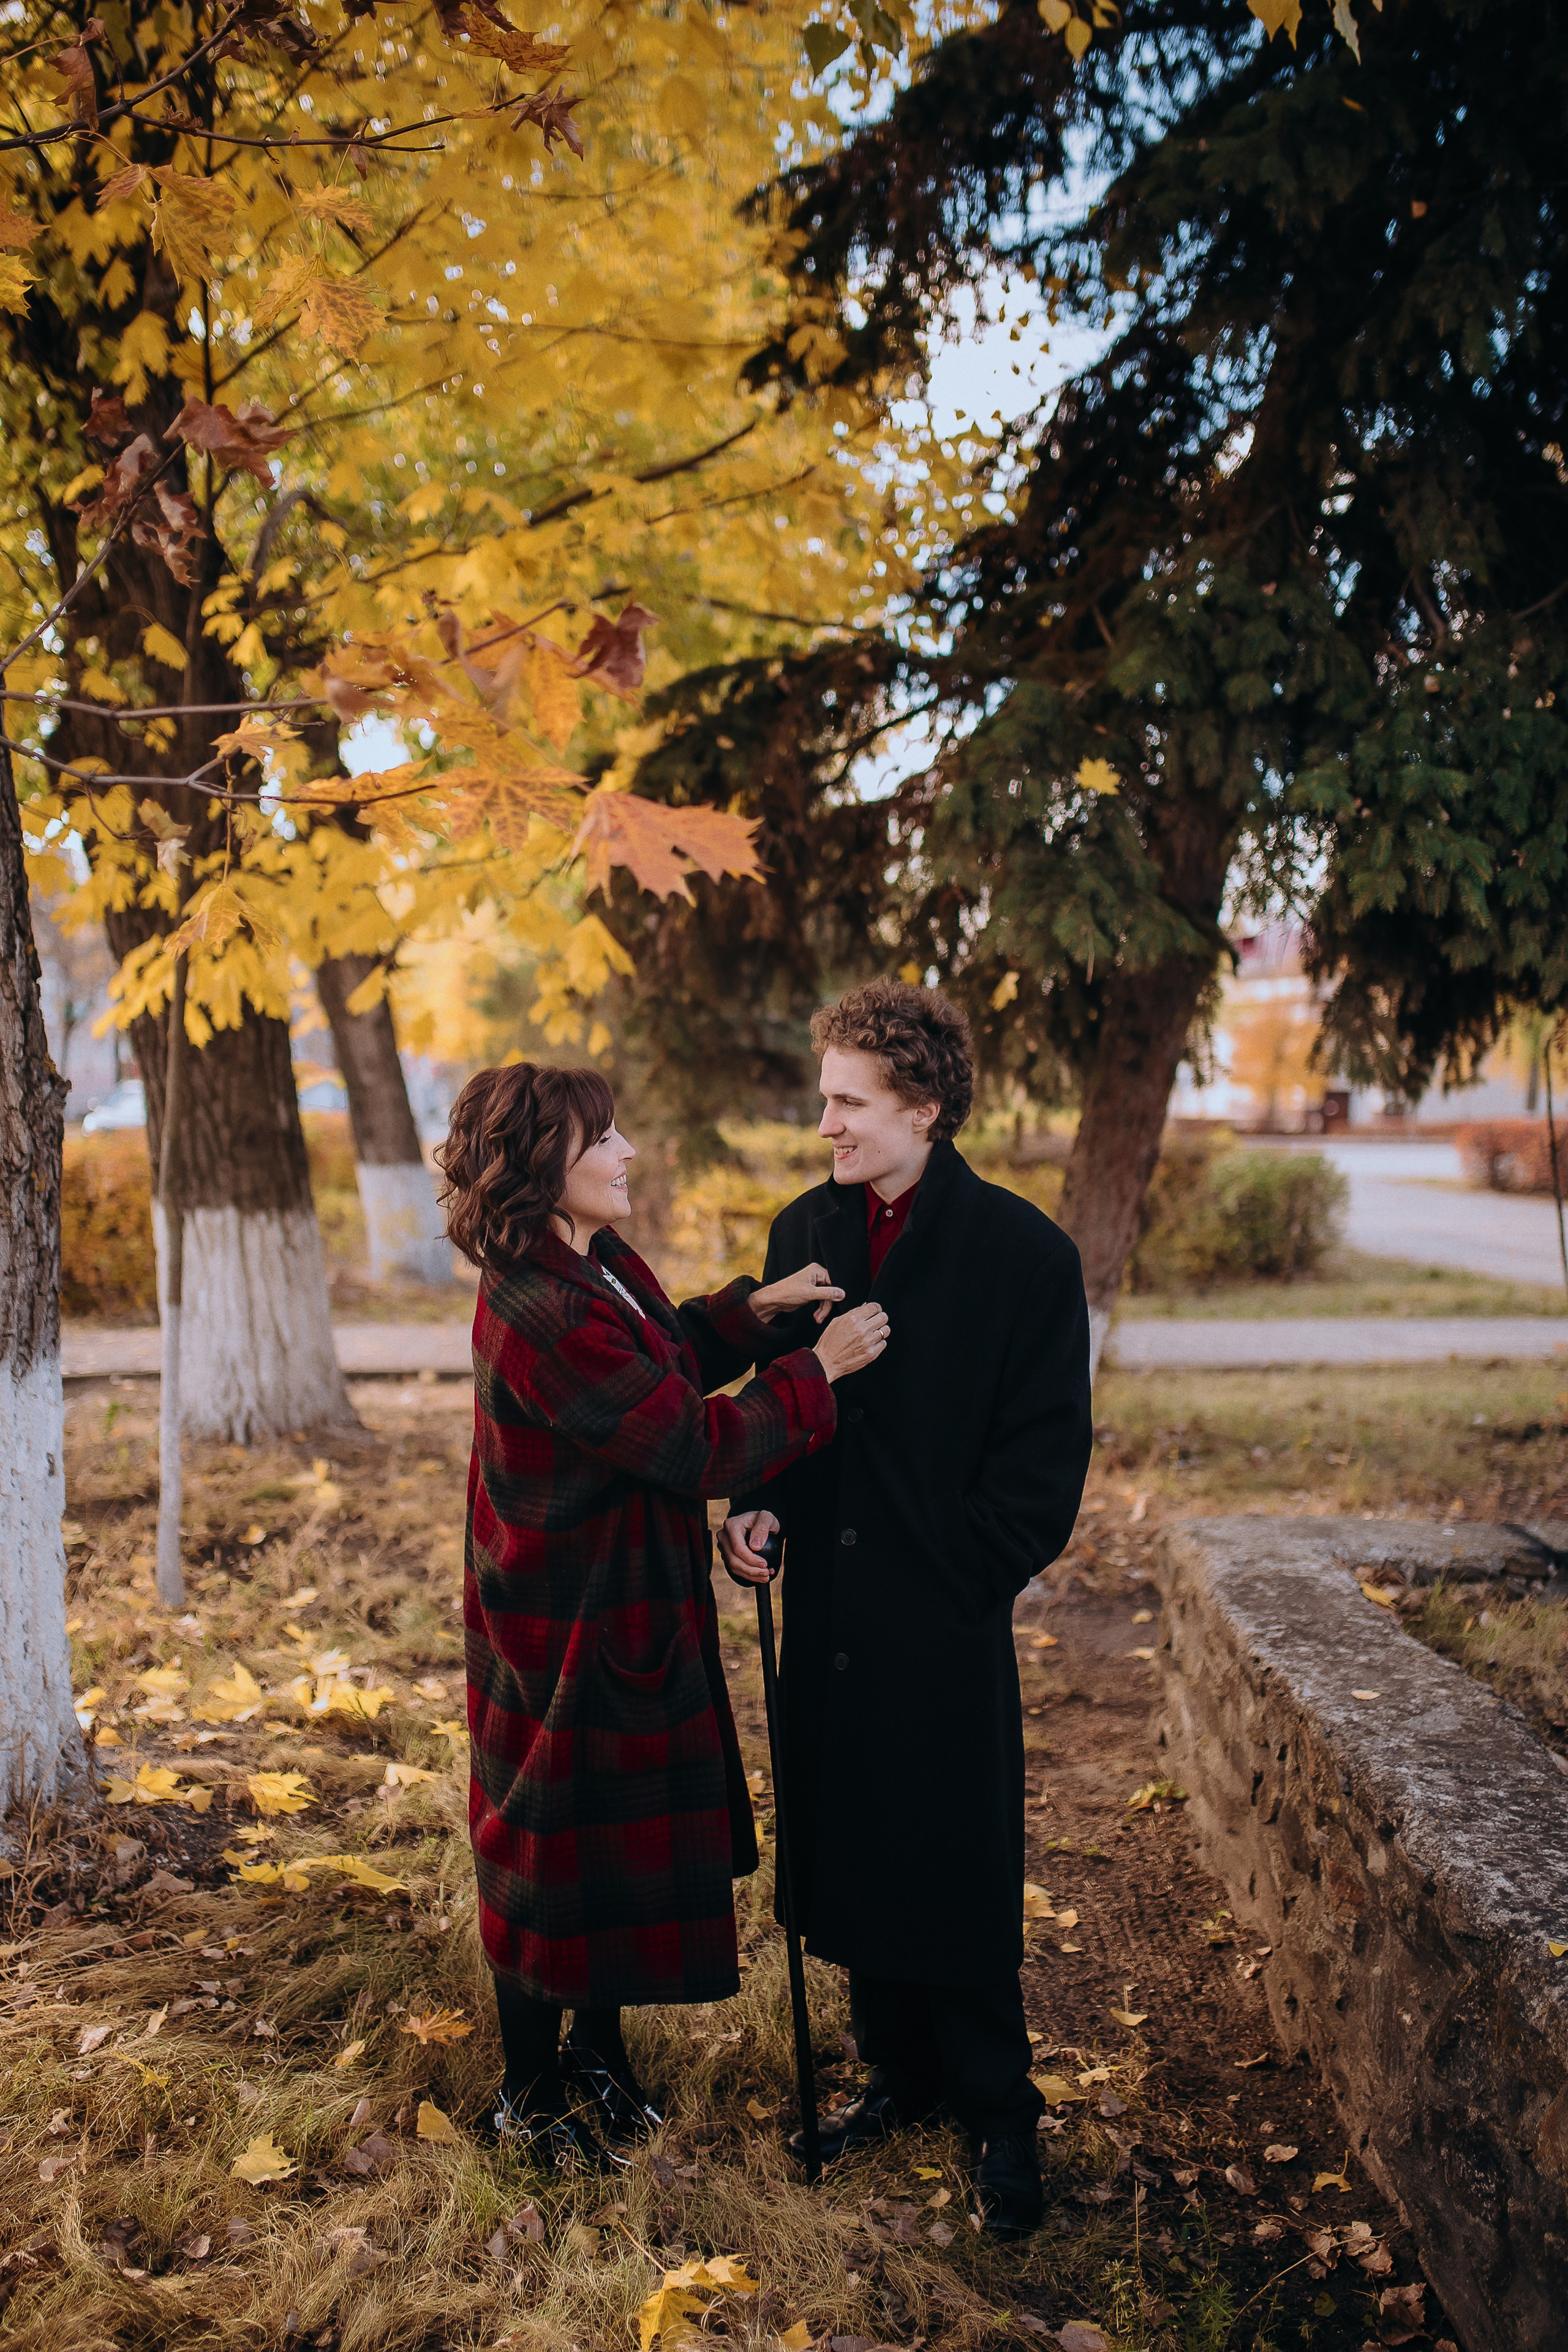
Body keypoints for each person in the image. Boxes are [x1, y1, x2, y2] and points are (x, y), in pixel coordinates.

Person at [438, 1061, 890, 2170]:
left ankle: (597, 2058)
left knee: (600, 1844)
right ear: (544, 1164)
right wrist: (816, 1372)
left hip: (619, 1603)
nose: (627, 1151)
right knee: (546, 1847)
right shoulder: (538, 1304)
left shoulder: (592, 1260)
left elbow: (660, 1361)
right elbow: (688, 1440)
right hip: (561, 1619)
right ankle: (531, 2092)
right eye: (604, 1139)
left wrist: (751, 1314)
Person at [719, 979, 1092, 2236]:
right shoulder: (804, 1230)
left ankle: (998, 2108)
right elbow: (783, 1397)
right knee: (854, 1838)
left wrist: (964, 1577)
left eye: (849, 1102)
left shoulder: (1023, 1255)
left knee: (954, 1853)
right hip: (828, 1611)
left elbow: (1044, 1464)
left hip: (942, 1614)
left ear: (924, 1107)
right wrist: (756, 1510)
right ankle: (900, 2074)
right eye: (824, 1099)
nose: (824, 1123)